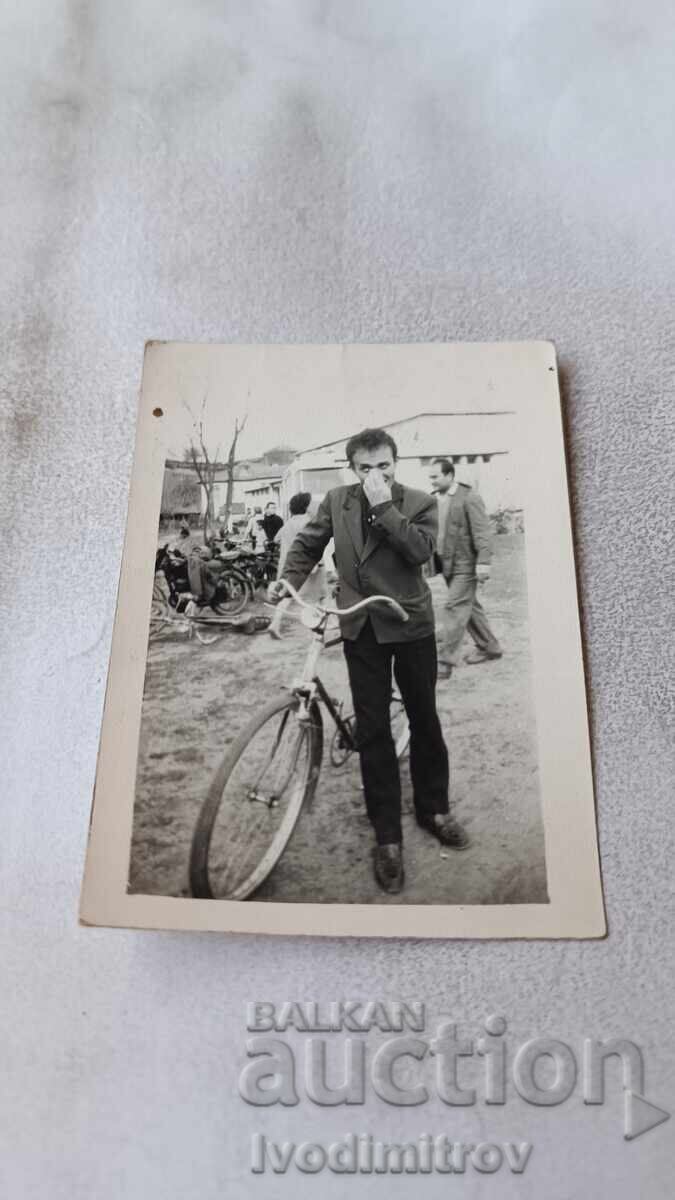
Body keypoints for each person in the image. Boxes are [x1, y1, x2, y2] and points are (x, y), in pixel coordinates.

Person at [268, 427, 470, 896]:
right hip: (362, 627)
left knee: (424, 718)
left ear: (395, 464)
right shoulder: (336, 500)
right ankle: (387, 835)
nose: (375, 474)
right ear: (352, 469)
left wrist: (383, 507)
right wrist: (286, 579)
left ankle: (433, 808)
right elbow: (308, 544)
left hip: (410, 623)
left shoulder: (419, 501)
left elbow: (420, 552)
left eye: (384, 466)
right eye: (366, 468)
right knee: (374, 731)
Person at [428, 458, 502, 679]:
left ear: (450, 475)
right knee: (469, 608)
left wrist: (483, 563)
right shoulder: (434, 499)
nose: (431, 481)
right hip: (447, 565)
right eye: (430, 477)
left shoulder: (469, 497)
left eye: (435, 476)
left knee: (454, 607)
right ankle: (491, 647)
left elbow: (482, 533)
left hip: (466, 565)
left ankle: (444, 662)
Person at [268, 492, 328, 639]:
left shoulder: (288, 523)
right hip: (309, 566)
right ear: (306, 507)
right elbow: (314, 545)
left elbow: (275, 539)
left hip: (288, 566)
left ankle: (275, 624)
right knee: (322, 596)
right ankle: (318, 630)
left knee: (286, 596)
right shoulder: (309, 522)